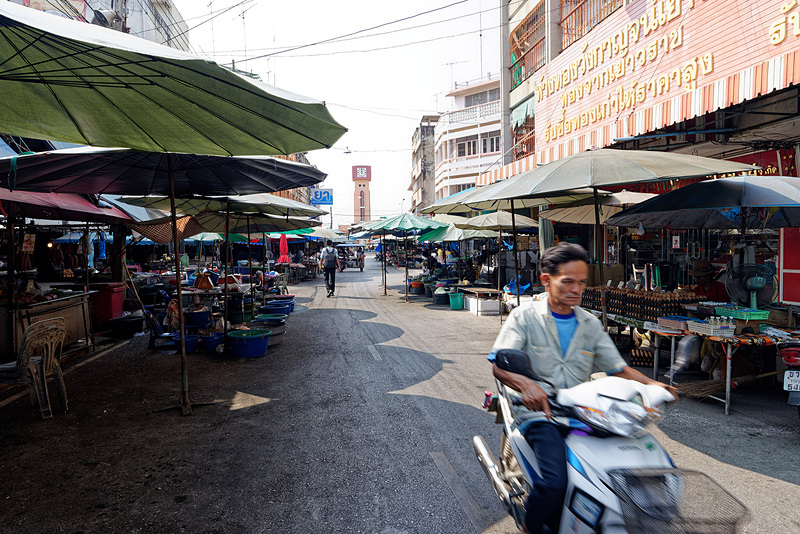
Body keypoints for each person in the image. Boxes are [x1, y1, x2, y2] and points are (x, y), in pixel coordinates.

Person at [489, 243, 677, 534]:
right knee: (554, 483)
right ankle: (530, 525)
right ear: (546, 280)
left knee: (631, 469)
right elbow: (499, 365)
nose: (576, 289)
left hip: (586, 412)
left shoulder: (590, 324)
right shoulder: (524, 317)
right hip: (541, 415)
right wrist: (526, 385)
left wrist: (655, 385)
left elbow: (619, 368)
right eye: (567, 282)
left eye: (581, 283)